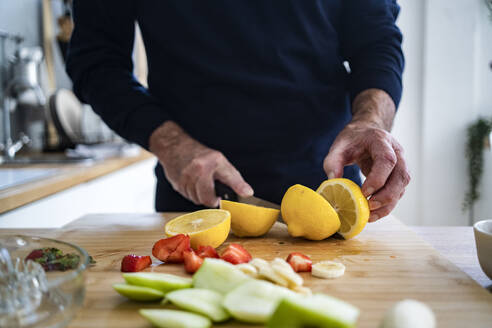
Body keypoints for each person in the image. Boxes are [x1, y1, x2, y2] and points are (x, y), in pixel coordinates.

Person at [67, 0, 410, 222]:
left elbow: (377, 43)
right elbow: (97, 62)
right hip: (197, 196)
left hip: (328, 193)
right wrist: (172, 145)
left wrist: (370, 121)